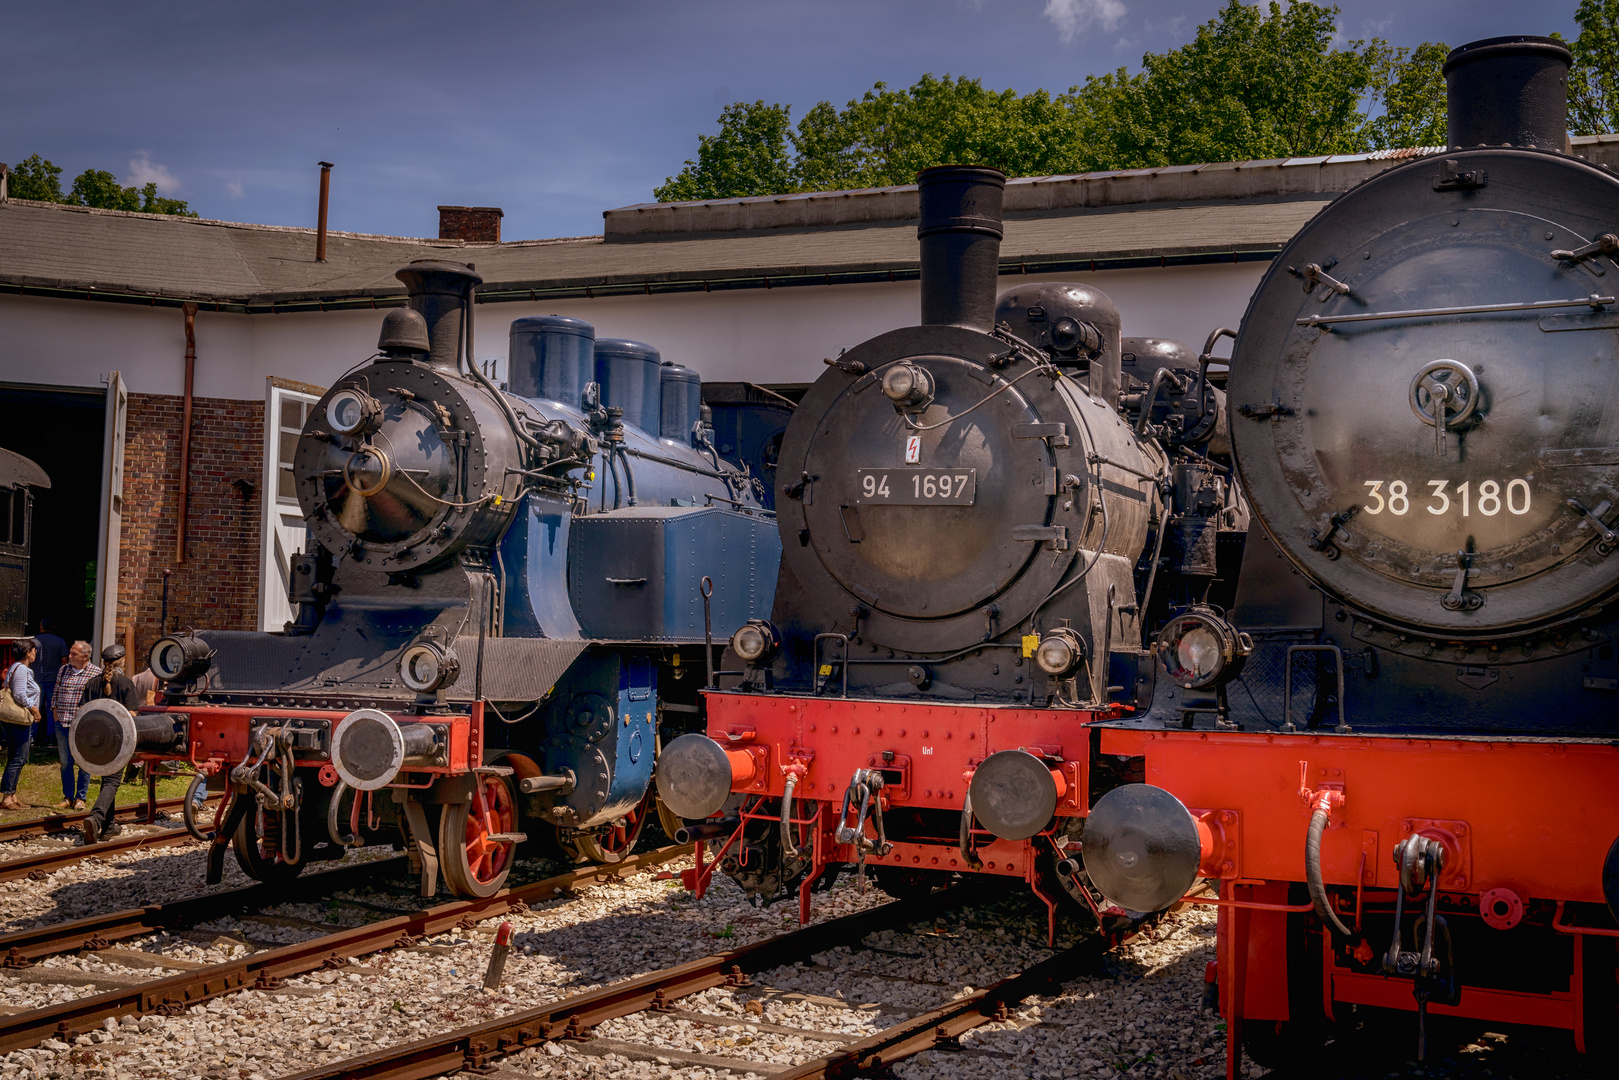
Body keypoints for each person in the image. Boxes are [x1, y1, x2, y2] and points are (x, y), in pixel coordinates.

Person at [80, 644, 143, 843]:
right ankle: (96, 819)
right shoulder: (125, 684)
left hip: (94, 742)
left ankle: (108, 827)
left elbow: (83, 711)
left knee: (108, 781)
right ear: (122, 660)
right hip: (117, 741)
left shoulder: (91, 684)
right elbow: (132, 714)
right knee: (112, 781)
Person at [51, 640, 99, 810]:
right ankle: (68, 797)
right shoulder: (64, 670)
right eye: (70, 653)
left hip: (83, 726)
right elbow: (56, 691)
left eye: (74, 654)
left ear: (86, 657)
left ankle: (81, 798)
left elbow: (97, 700)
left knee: (83, 762)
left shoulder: (95, 673)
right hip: (62, 721)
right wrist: (55, 712)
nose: (70, 656)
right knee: (65, 762)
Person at [2, 639, 42, 810]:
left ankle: (12, 795)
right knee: (19, 757)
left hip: (13, 720)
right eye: (33, 650)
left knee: (15, 756)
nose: (35, 653)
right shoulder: (23, 669)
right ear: (27, 653)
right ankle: (7, 798)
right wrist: (34, 710)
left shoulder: (15, 667)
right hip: (18, 719)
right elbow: (19, 694)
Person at [32, 619, 66, 736]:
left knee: (34, 707)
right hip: (53, 679)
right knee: (52, 709)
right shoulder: (59, 641)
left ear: (41, 627)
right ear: (53, 627)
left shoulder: (33, 642)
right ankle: (51, 735)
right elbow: (64, 661)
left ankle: (32, 735)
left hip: (36, 679)